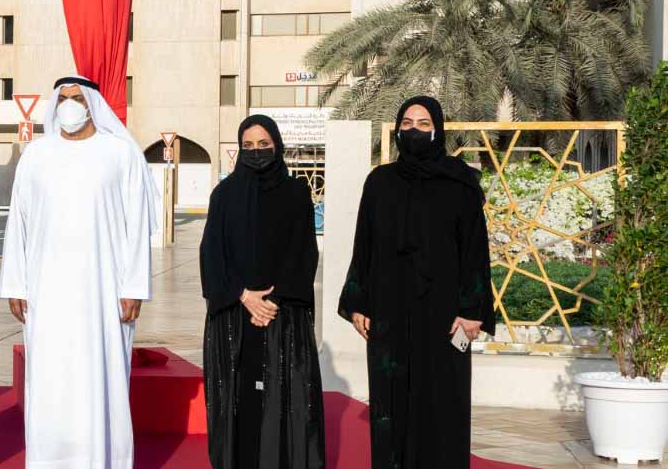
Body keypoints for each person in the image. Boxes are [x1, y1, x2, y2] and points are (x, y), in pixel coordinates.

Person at [0, 75, 159, 469]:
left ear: (92, 104)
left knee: (99, 380)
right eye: (63, 98)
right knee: (51, 380)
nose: (69, 104)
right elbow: (17, 222)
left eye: (77, 97)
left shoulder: (119, 153)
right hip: (45, 291)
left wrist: (134, 286)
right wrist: (15, 283)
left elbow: (137, 225)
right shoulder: (36, 155)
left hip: (102, 292)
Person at [339, 96, 494, 469]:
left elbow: (475, 251)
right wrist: (359, 302)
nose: (413, 130)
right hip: (390, 315)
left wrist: (472, 311)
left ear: (438, 129)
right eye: (406, 123)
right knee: (391, 403)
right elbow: (365, 244)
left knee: (442, 402)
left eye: (423, 124)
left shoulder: (460, 184)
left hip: (444, 317)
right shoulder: (380, 183)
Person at [199, 114, 326, 469]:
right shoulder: (224, 195)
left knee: (283, 402)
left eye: (264, 145)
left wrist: (272, 300)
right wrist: (243, 295)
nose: (256, 152)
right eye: (248, 146)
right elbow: (212, 254)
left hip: (283, 316)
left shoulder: (296, 192)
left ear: (277, 145)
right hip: (233, 319)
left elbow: (304, 253)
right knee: (238, 404)